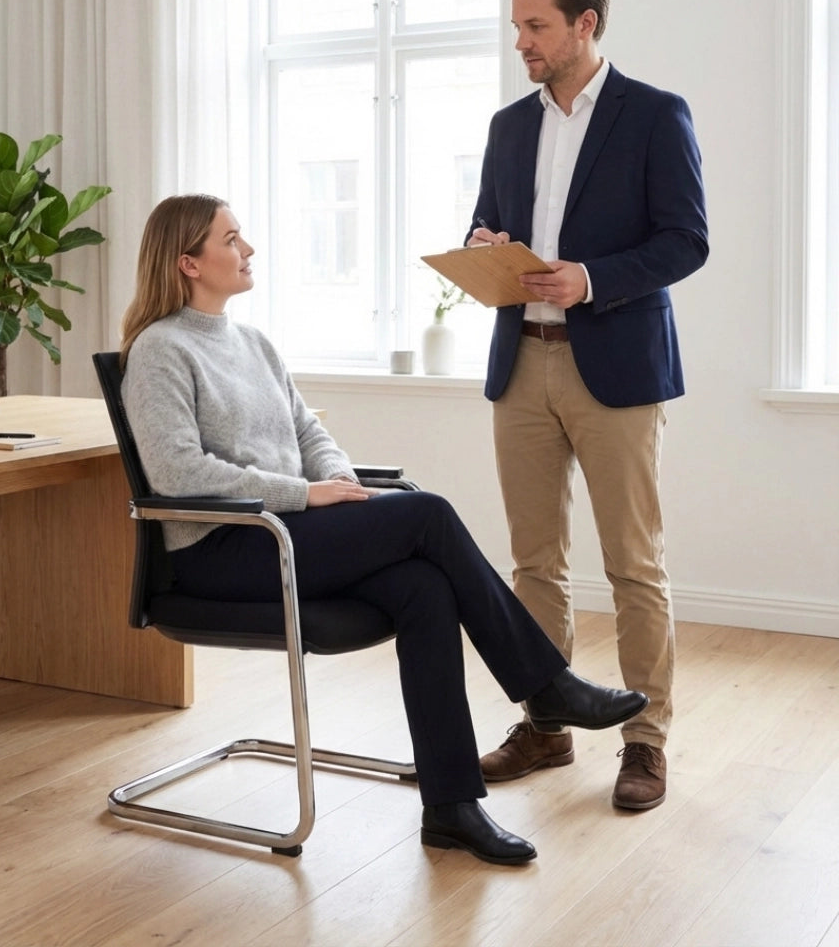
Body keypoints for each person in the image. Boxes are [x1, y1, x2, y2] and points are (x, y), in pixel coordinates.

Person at [120, 192, 649, 866]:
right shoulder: (159, 350)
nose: (248, 249)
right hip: (227, 549)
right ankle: (546, 685)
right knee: (425, 511)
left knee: (424, 587)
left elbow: (308, 430)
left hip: (286, 532)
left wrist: (338, 487)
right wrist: (306, 496)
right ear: (188, 262)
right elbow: (177, 472)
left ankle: (452, 807)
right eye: (231, 240)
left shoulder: (251, 342)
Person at [465, 0, 709, 810]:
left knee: (633, 563)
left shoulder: (653, 116)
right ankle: (548, 723)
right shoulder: (507, 126)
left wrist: (591, 278)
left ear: (584, 25)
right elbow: (485, 223)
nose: (522, 43)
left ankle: (645, 741)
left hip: (616, 365)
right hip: (519, 360)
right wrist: (487, 250)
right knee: (535, 563)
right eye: (516, 27)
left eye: (536, 26)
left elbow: (686, 241)